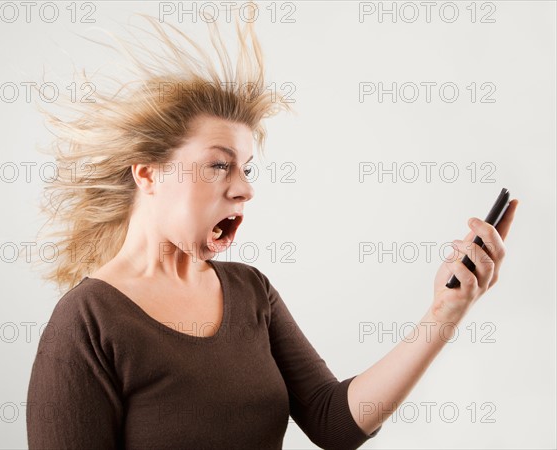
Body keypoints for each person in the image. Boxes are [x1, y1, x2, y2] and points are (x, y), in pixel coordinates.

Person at [26, 4, 519, 449]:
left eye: (246, 168)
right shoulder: (87, 322)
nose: (245, 189)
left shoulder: (250, 291)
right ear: (148, 173)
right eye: (220, 165)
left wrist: (445, 311)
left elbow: (334, 421)